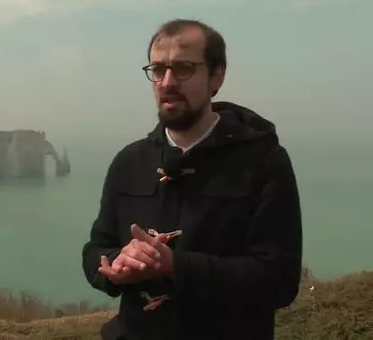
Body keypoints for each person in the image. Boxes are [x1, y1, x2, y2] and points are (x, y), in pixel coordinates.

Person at [81, 18, 303, 340]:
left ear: (217, 75)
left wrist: (177, 266)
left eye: (183, 68)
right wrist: (115, 264)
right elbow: (95, 249)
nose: (167, 81)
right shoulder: (129, 161)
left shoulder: (264, 162)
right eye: (158, 70)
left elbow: (279, 280)